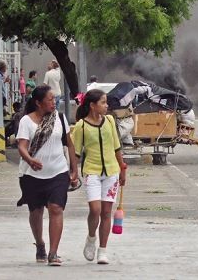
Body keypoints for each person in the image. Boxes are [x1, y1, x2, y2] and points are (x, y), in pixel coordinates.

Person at [16, 85, 79, 266]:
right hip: (31, 175)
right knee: (36, 211)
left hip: (58, 172)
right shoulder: (26, 122)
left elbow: (70, 144)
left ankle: (53, 252)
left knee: (56, 208)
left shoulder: (59, 118)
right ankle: (40, 244)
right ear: (38, 102)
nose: (54, 102)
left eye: (54, 99)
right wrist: (30, 160)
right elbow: (22, 146)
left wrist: (74, 169)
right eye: (50, 99)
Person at [72, 89, 127, 265]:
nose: (106, 106)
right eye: (103, 102)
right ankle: (90, 238)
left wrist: (122, 169)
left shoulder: (110, 121)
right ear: (92, 106)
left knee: (106, 212)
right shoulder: (81, 126)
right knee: (95, 210)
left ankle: (102, 250)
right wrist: (72, 172)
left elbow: (117, 147)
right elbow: (77, 153)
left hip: (111, 172)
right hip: (92, 172)